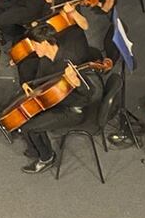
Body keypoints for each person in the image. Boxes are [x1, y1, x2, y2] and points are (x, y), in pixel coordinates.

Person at [13, 24, 102, 174]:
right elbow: (42, 82)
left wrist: (77, 82)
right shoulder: (45, 60)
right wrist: (29, 86)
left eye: (35, 44)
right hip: (56, 101)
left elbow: (89, 92)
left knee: (30, 127)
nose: (34, 48)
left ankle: (47, 158)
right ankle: (35, 148)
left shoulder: (69, 61)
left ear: (46, 43)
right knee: (26, 116)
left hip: (72, 110)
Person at [15, 0, 91, 84]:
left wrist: (73, 12)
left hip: (69, 48)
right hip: (56, 41)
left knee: (30, 63)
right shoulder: (49, 4)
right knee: (25, 57)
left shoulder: (68, 2)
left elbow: (85, 25)